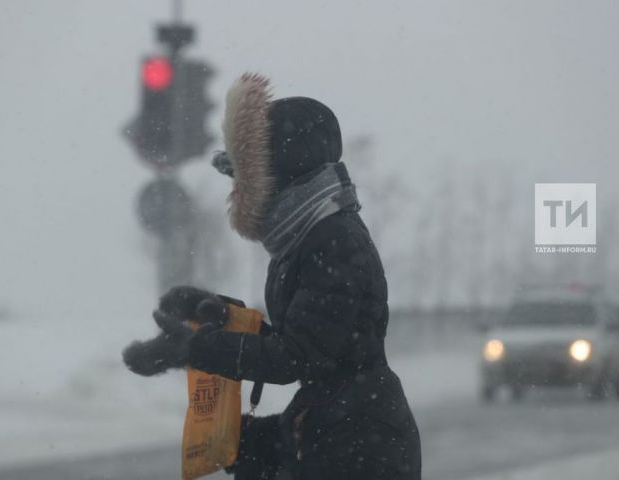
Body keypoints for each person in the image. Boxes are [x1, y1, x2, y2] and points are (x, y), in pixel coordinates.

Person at [122, 73, 422, 479]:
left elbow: (297, 356)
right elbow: (310, 345)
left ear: (279, 174)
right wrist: (221, 319)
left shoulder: (334, 241)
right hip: (335, 424)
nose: (237, 191)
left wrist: (197, 349)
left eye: (243, 178)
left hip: (359, 442)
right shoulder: (306, 238)